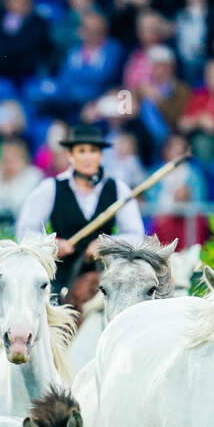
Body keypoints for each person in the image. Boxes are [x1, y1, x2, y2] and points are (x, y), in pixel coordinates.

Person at [15, 124, 145, 309]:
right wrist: (52, 245)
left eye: (92, 151)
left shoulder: (118, 188)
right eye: (81, 151)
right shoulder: (51, 187)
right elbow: (25, 231)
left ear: (100, 155)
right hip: (62, 277)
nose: (87, 157)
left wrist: (107, 244)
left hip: (106, 277)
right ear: (70, 155)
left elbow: (135, 235)